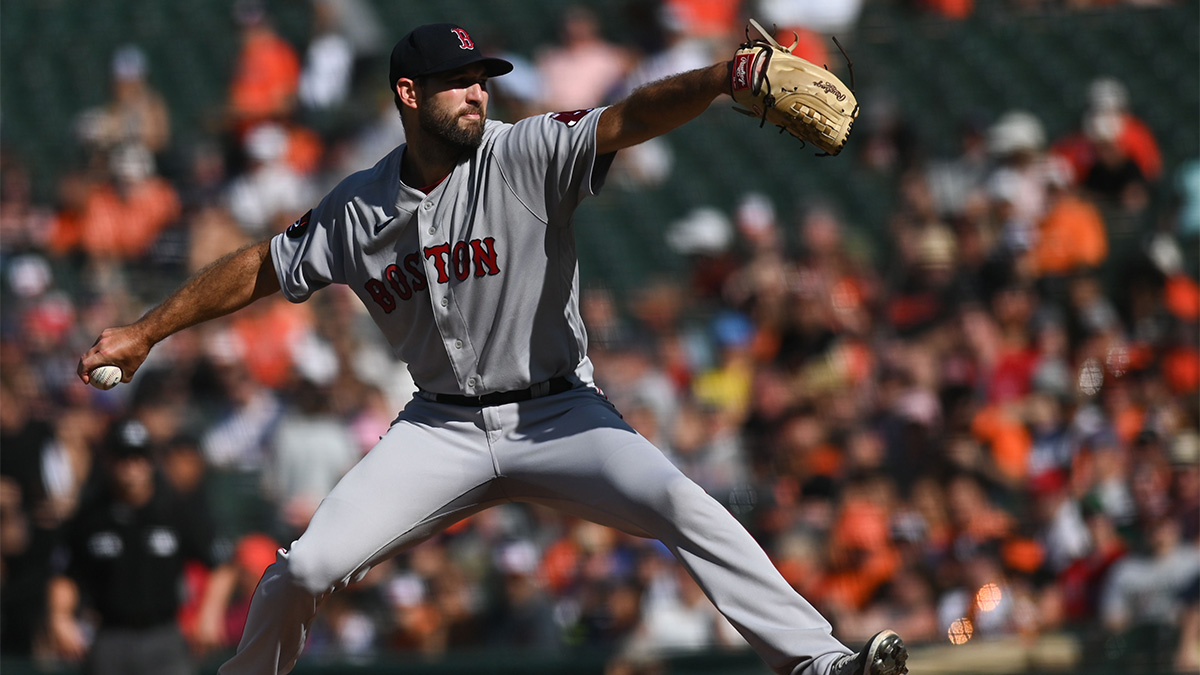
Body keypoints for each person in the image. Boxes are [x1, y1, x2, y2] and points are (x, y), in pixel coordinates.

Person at [77, 22, 908, 675]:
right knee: (302, 570)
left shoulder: (524, 151)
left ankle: (817, 660)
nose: (478, 92)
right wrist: (147, 329)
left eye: (483, 79)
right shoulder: (358, 208)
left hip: (560, 411)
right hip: (437, 429)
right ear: (409, 94)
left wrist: (726, 79)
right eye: (458, 83)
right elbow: (261, 265)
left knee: (683, 504)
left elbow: (628, 117)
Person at [45, 418, 238, 675]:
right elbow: (64, 573)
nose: (131, 466)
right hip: (109, 636)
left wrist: (210, 614)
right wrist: (60, 617)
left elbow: (222, 564)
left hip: (164, 636)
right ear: (109, 460)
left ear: (150, 461)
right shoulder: (91, 514)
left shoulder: (173, 509)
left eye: (139, 457)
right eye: (123, 457)